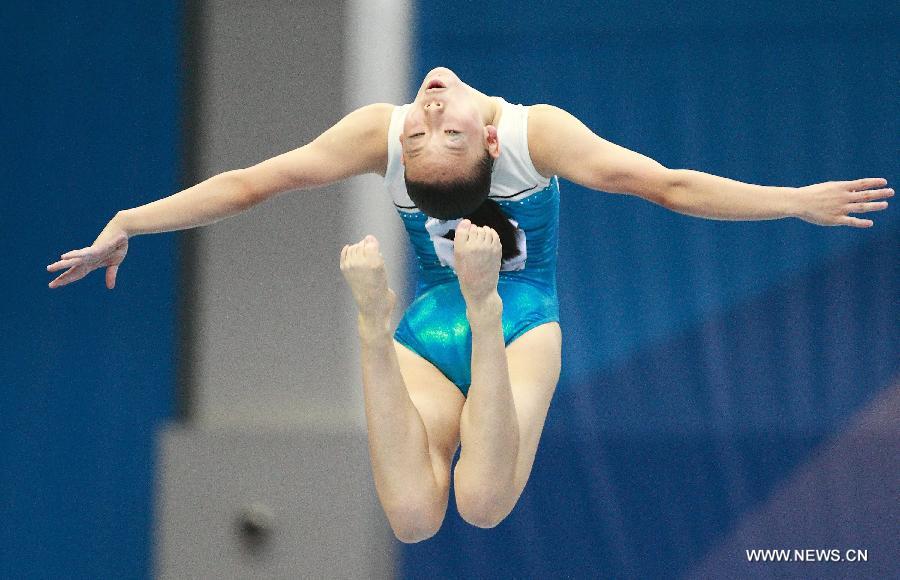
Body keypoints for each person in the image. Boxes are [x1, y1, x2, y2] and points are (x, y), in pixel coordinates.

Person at [46, 66, 892, 543]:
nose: (425, 109)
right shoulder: (383, 131)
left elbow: (666, 185)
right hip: (432, 324)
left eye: (437, 126)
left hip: (517, 323)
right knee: (414, 519)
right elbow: (251, 183)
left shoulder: (537, 134)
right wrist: (133, 221)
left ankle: (448, 312)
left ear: (490, 145)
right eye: (419, 130)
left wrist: (791, 198)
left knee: (482, 504)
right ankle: (375, 329)